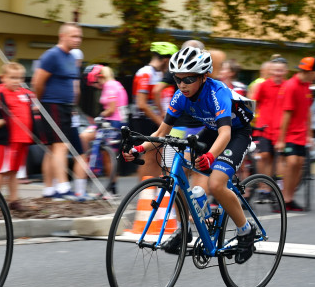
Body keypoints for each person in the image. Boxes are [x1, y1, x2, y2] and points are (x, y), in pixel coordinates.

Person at [123, 47, 258, 262]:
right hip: (212, 130)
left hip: (235, 133)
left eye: (189, 79)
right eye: (178, 79)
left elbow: (225, 133)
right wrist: (138, 148)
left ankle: (245, 230)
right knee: (179, 174)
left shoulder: (217, 92)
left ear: (204, 77)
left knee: (216, 183)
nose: (182, 85)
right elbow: (160, 133)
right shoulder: (180, 97)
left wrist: (211, 157)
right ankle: (185, 230)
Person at [32, 23, 89, 200]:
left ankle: (49, 189)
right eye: (74, 36)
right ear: (62, 36)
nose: (77, 39)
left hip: (65, 107)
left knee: (52, 149)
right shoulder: (52, 55)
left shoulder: (71, 57)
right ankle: (63, 187)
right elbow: (38, 81)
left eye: (79, 36)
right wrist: (40, 102)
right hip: (52, 104)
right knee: (61, 146)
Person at [0, 62, 37, 209]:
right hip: (8, 140)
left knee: (14, 171)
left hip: (22, 139)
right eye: (12, 78)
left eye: (19, 78)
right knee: (2, 171)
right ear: (3, 78)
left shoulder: (25, 94)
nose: (16, 81)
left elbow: (33, 108)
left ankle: (13, 200)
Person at [129, 41, 178, 182]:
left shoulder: (158, 74)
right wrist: (162, 122)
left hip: (153, 119)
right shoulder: (146, 73)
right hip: (143, 120)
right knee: (148, 157)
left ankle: (153, 191)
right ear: (165, 58)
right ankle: (144, 193)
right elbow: (142, 104)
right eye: (172, 60)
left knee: (157, 157)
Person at [275, 57, 315, 211]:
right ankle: (282, 199)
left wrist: (309, 134)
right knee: (292, 162)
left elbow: (308, 111)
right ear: (313, 72)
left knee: (299, 164)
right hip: (289, 134)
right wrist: (281, 139)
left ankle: (289, 198)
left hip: (301, 134)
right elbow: (286, 113)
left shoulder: (307, 86)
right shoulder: (291, 86)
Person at [79, 64, 128, 196]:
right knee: (105, 154)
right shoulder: (114, 84)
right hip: (115, 121)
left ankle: (109, 188)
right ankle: (111, 189)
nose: (95, 86)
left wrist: (100, 116)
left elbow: (111, 109)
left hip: (113, 122)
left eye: (95, 83)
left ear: (100, 77)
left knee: (106, 155)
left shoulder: (109, 85)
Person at [250, 56, 288, 184]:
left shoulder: (287, 86)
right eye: (275, 70)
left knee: (276, 157)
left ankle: (273, 185)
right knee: (264, 156)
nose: (278, 73)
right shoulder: (264, 85)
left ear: (285, 71)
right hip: (264, 127)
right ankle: (262, 185)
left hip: (280, 128)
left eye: (280, 70)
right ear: (271, 71)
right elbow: (255, 104)